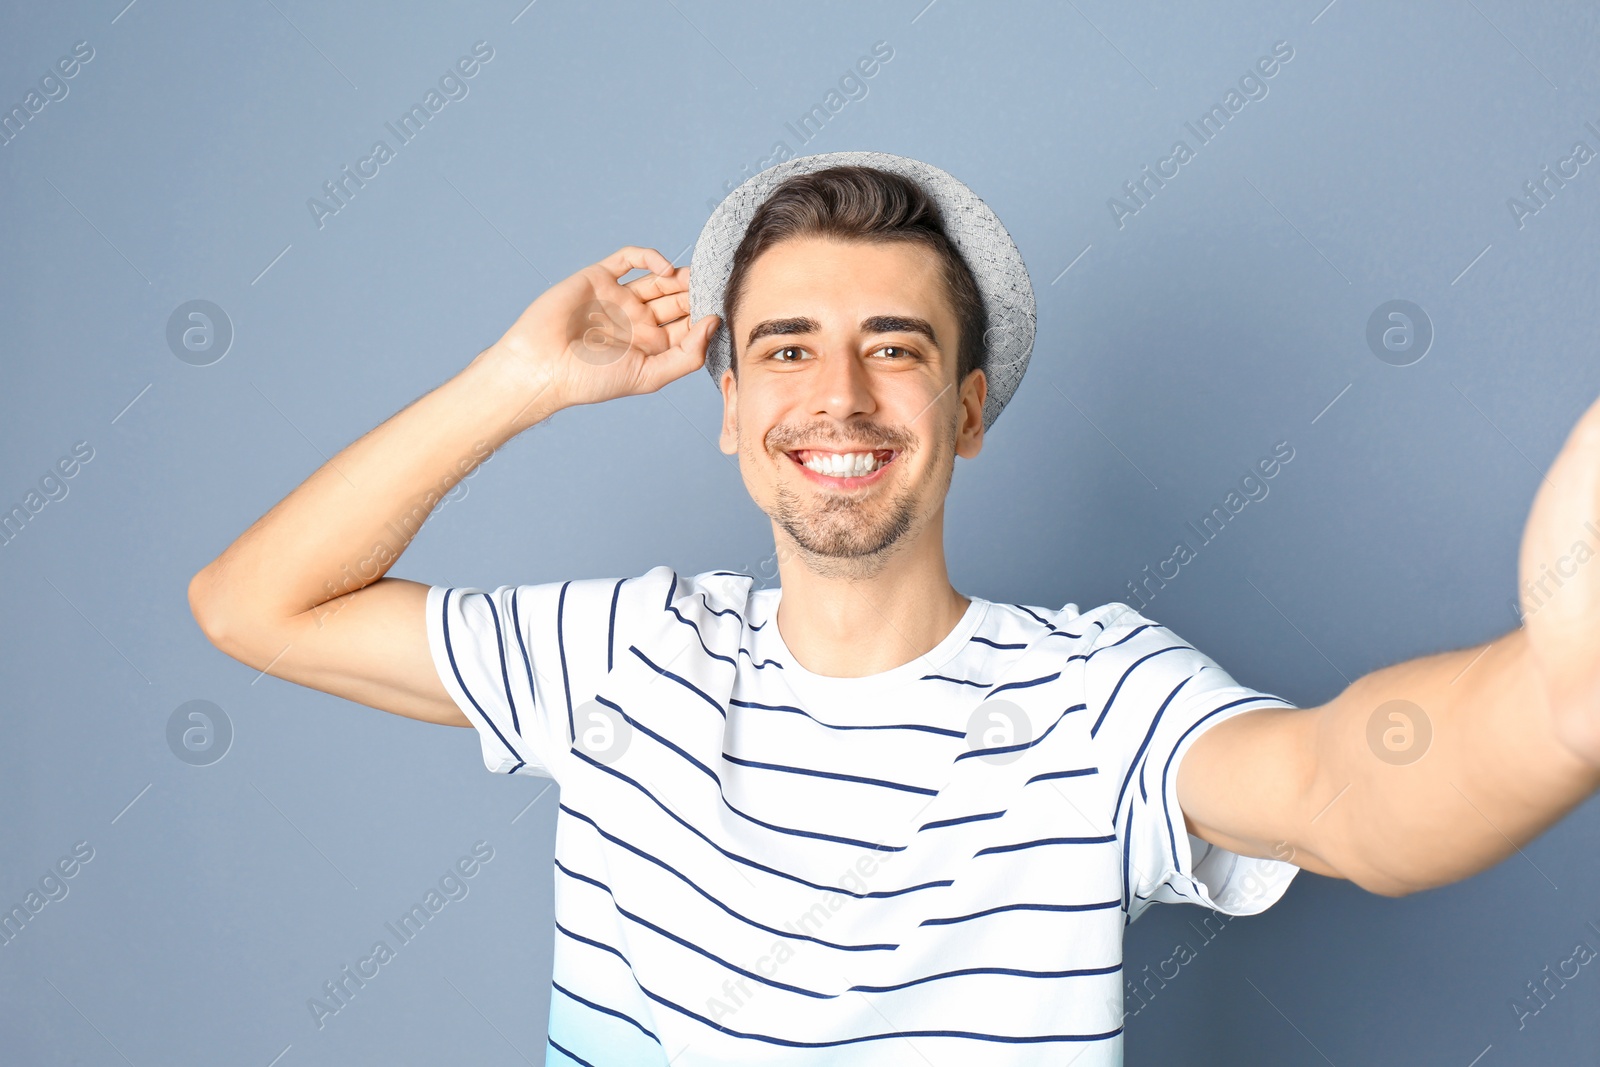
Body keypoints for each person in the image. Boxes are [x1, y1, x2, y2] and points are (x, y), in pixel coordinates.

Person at [188, 154, 1600, 1066]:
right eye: (788, 349)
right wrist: (520, 375)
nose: (842, 398)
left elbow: (1350, 789)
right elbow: (254, 605)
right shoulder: (623, 658)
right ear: (730, 411)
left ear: (968, 412)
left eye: (897, 350)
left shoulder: (1095, 696)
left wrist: (1556, 698)